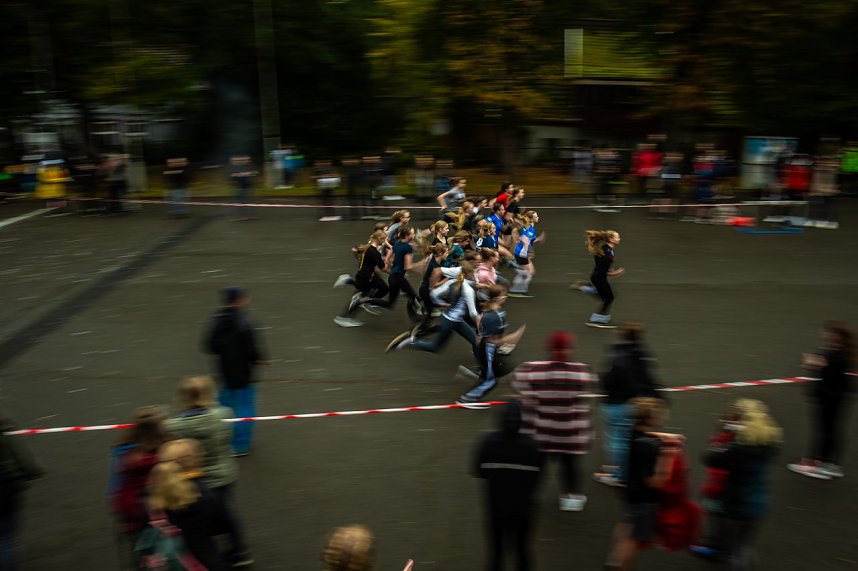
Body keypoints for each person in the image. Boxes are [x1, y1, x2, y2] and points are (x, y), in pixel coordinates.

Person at [512, 331, 596, 512]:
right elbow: (589, 387)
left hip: (539, 432)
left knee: (536, 467)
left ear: (548, 348)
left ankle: (529, 497)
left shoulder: (531, 370)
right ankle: (571, 498)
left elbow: (517, 385)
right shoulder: (581, 372)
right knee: (570, 466)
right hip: (569, 433)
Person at [700, 399, 781, 570]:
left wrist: (721, 440)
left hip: (739, 502)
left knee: (736, 551)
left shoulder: (739, 450)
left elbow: (711, 459)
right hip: (759, 500)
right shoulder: (768, 443)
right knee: (747, 545)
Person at [604, 397, 683, 571]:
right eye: (662, 414)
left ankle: (613, 559)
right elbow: (655, 482)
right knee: (633, 540)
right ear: (651, 418)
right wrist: (668, 455)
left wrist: (665, 436)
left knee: (625, 525)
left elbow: (646, 435)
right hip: (643, 498)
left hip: (629, 491)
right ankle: (621, 566)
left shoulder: (634, 433)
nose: (666, 418)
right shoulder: (650, 447)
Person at [148, 439, 251, 569]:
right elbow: (220, 526)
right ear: (196, 460)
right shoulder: (202, 495)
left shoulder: (156, 490)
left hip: (164, 557)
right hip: (199, 560)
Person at [474, 399, 543, 571]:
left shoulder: (488, 442)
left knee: (496, 553)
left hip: (496, 508)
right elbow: (538, 478)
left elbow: (480, 471)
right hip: (523, 509)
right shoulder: (533, 446)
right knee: (522, 551)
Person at [593, 323, 660, 487]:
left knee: (617, 440)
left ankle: (620, 475)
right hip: (636, 402)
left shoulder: (619, 357)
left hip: (618, 402)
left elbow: (609, 379)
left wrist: (606, 389)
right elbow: (648, 377)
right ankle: (621, 467)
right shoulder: (641, 353)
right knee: (626, 437)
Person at [204, 286, 269, 455]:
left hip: (224, 373)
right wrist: (258, 359)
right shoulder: (244, 323)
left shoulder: (216, 319)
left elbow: (210, 346)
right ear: (239, 300)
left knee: (224, 408)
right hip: (243, 374)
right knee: (245, 409)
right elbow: (250, 350)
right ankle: (240, 445)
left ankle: (223, 440)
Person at [788, 321, 854, 479]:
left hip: (827, 395)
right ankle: (830, 464)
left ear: (834, 336)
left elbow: (813, 363)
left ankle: (816, 463)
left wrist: (810, 361)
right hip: (838, 395)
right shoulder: (845, 351)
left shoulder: (832, 353)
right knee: (833, 429)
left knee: (823, 430)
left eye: (827, 332)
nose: (823, 333)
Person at [108, 406, 169, 554]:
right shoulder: (167, 449)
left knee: (141, 548)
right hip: (163, 507)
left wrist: (116, 505)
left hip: (132, 508)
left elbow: (115, 482)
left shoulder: (123, 451)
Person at [0, 414, 43, 570]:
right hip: (5, 492)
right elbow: (25, 459)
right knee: (6, 538)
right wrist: (33, 473)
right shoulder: (5, 429)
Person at [336, 231, 390, 327]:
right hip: (366, 277)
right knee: (359, 298)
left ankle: (367, 300)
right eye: (383, 239)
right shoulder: (374, 252)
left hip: (368, 275)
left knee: (384, 288)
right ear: (378, 239)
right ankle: (344, 318)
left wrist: (361, 260)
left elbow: (354, 250)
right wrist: (393, 272)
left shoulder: (366, 246)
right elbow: (383, 268)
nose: (385, 241)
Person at [581, 230, 624, 328]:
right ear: (611, 239)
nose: (619, 239)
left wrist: (608, 269)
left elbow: (599, 263)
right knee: (609, 298)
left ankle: (587, 289)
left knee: (606, 297)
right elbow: (604, 270)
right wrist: (615, 273)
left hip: (596, 277)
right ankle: (599, 321)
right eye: (617, 237)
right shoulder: (608, 253)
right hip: (599, 278)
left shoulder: (604, 248)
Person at [509, 211, 544, 298]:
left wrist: (538, 239)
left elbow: (527, 239)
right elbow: (524, 239)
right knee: (528, 273)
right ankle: (517, 291)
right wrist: (527, 249)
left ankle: (516, 289)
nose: (538, 217)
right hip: (522, 254)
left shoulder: (528, 226)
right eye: (536, 217)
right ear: (531, 219)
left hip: (520, 252)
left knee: (530, 272)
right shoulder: (530, 229)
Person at [230, 155, 258, 221]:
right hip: (239, 187)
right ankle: (241, 216)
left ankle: (250, 215)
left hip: (248, 186)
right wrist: (243, 174)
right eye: (244, 160)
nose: (246, 161)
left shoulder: (251, 166)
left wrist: (248, 174)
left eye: (247, 159)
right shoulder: (236, 167)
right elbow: (233, 175)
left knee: (249, 202)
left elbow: (255, 172)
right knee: (240, 202)